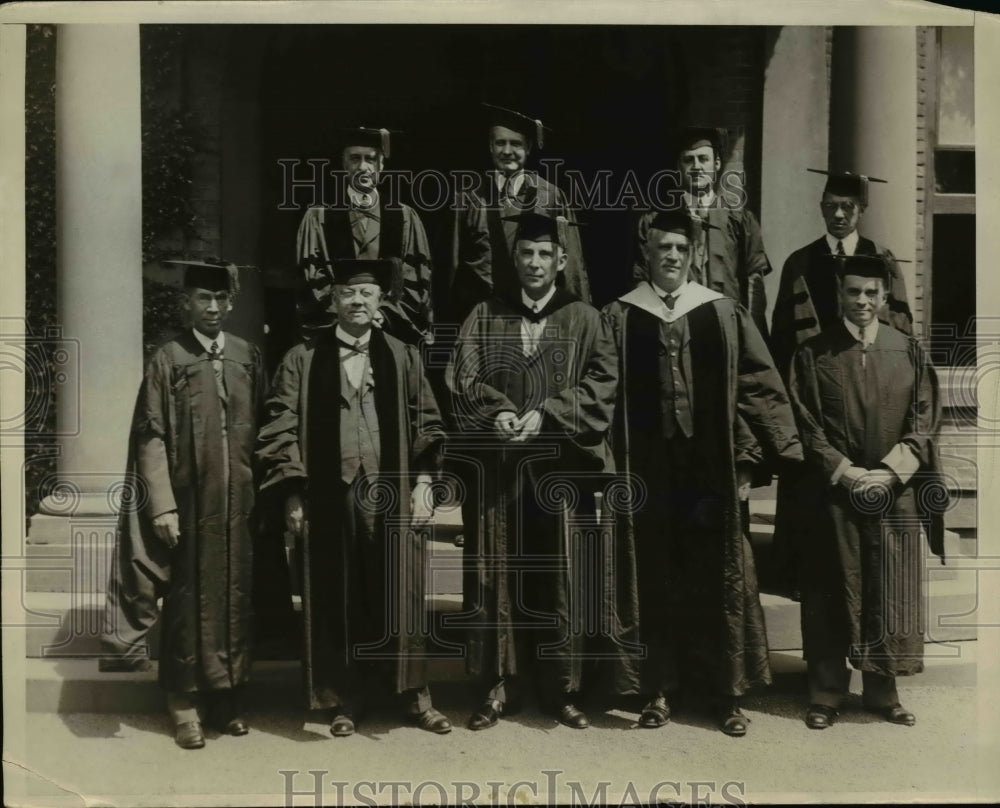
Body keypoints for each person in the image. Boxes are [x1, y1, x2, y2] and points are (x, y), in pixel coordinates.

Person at [604, 210, 803, 736]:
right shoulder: (620, 316)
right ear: (646, 254)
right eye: (661, 247)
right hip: (645, 471)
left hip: (710, 470)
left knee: (715, 577)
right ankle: (659, 690)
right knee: (655, 577)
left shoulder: (722, 313)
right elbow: (602, 397)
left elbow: (757, 385)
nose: (670, 255)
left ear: (692, 254)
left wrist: (754, 459)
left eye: (679, 248)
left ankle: (724, 694)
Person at [255, 258, 452, 738]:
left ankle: (413, 695)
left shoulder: (403, 355)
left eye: (366, 294)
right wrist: (292, 494)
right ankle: (345, 697)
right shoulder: (302, 357)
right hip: (330, 495)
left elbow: (427, 421)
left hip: (392, 492)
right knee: (339, 597)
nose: (357, 301)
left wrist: (424, 484)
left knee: (399, 595)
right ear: (334, 300)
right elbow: (280, 427)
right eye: (348, 293)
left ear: (380, 300)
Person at [447, 210, 618, 731]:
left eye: (546, 254)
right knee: (498, 574)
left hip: (558, 471)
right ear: (515, 259)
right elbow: (463, 374)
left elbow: (602, 384)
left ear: (562, 261)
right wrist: (498, 411)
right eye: (527, 253)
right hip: (499, 470)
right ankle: (497, 687)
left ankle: (561, 688)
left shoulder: (586, 318)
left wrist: (546, 413)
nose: (536, 262)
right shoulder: (486, 313)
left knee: (559, 577)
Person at [101, 260, 265, 750]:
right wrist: (162, 506)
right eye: (202, 300)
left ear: (231, 304)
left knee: (234, 595)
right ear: (187, 304)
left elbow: (263, 425)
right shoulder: (168, 358)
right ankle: (183, 703)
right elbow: (150, 434)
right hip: (189, 503)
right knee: (187, 600)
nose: (213, 308)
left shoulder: (247, 354)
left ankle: (226, 695)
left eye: (220, 300)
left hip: (239, 501)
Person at [787, 253, 945, 730]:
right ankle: (826, 692)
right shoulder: (812, 354)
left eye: (871, 293)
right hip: (836, 495)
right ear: (839, 294)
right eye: (853, 292)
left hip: (892, 496)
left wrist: (890, 473)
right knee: (831, 591)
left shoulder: (908, 350)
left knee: (887, 592)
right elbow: (805, 425)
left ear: (883, 296)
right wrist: (845, 470)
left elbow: (923, 420)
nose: (862, 301)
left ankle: (883, 692)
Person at [770, 170, 915, 597]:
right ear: (819, 207)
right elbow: (782, 339)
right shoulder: (800, 262)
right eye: (830, 205)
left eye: (847, 206)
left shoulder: (881, 261)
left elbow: (901, 332)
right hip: (813, 398)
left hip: (870, 397)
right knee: (811, 485)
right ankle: (801, 577)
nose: (838, 213)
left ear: (862, 210)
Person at [449, 103, 590, 325]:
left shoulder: (551, 197)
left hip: (539, 320)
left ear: (529, 147)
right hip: (483, 321)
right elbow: (454, 267)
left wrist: (579, 318)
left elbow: (572, 265)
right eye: (500, 143)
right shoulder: (469, 199)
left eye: (516, 144)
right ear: (489, 146)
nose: (507, 151)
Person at [296, 126, 434, 346]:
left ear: (381, 165)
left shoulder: (405, 217)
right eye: (355, 158)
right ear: (344, 164)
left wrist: (382, 314)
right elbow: (313, 281)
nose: (363, 167)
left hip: (389, 330)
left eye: (370, 159)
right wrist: (349, 315)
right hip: (336, 333)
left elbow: (415, 282)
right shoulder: (319, 216)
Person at [633, 126, 771, 339]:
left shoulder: (740, 220)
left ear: (716, 165)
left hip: (727, 332)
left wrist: (750, 335)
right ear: (679, 167)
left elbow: (754, 282)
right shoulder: (654, 222)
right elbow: (642, 279)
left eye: (703, 159)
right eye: (688, 160)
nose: (696, 167)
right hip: (674, 334)